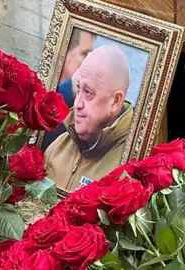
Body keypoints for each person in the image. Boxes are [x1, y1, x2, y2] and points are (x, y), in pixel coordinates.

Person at [45, 46, 133, 191]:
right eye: (78, 89)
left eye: (89, 93)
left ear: (116, 101)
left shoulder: (130, 164)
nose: (77, 104)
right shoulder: (57, 146)